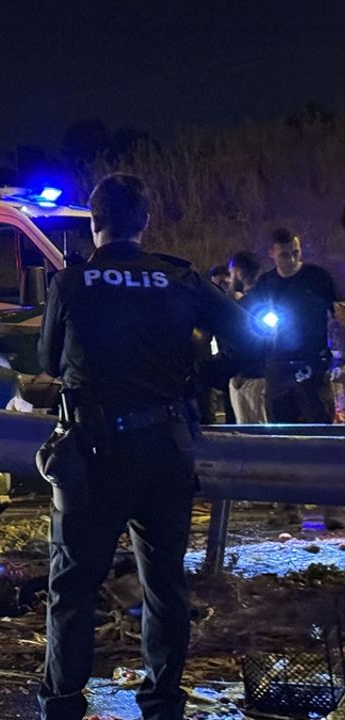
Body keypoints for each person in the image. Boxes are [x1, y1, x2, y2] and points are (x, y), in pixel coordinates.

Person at [36, 174, 254, 720]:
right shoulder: (180, 278)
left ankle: (62, 705)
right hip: (164, 448)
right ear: (146, 221)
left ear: (94, 221)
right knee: (164, 586)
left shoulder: (72, 282)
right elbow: (252, 339)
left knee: (73, 589)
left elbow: (47, 361)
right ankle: (161, 704)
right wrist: (200, 376)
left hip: (92, 456)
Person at [247, 228, 339, 425]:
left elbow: (338, 313)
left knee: (320, 424)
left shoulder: (318, 277)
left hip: (313, 362)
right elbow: (253, 320)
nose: (291, 259)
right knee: (281, 426)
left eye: (296, 253)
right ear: (272, 254)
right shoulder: (265, 283)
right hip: (278, 365)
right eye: (284, 255)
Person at [226, 249, 269, 423]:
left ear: (238, 271)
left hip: (250, 379)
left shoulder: (244, 306)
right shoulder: (267, 298)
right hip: (259, 374)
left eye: (231, 273)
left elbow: (239, 344)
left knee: (254, 433)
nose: (230, 279)